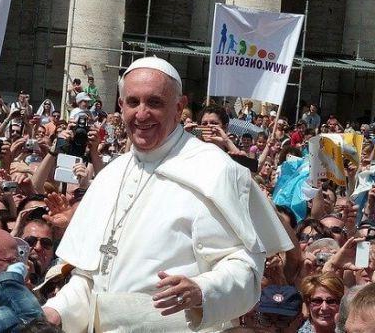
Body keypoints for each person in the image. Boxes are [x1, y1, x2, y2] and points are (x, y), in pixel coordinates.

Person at [42, 57, 292, 332]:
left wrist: (201, 290)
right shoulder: (110, 176)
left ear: (180, 107)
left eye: (154, 102)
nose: (141, 114)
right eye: (133, 102)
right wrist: (55, 312)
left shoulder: (217, 172)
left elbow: (246, 269)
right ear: (120, 105)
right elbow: (88, 279)